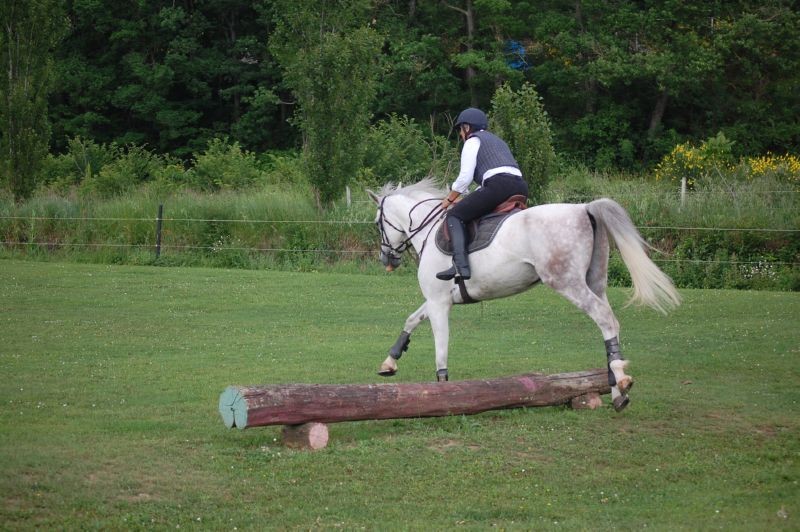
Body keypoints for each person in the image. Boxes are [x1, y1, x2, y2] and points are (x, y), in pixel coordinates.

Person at [437, 107, 529, 281]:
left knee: (455, 215)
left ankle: (460, 266)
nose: (461, 135)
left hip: (499, 185)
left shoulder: (472, 141)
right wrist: (468, 198)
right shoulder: (498, 141)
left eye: (460, 130)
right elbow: (490, 177)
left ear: (467, 127)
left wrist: (449, 199)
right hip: (520, 186)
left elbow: (465, 178)